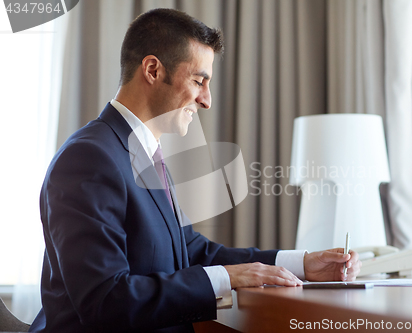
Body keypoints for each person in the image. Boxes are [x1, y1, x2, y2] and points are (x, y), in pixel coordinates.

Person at [30, 8, 361, 333]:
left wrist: (301, 264)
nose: (207, 100)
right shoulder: (89, 158)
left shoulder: (142, 153)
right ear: (152, 69)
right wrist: (228, 278)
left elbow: (191, 251)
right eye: (199, 81)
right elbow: (105, 300)